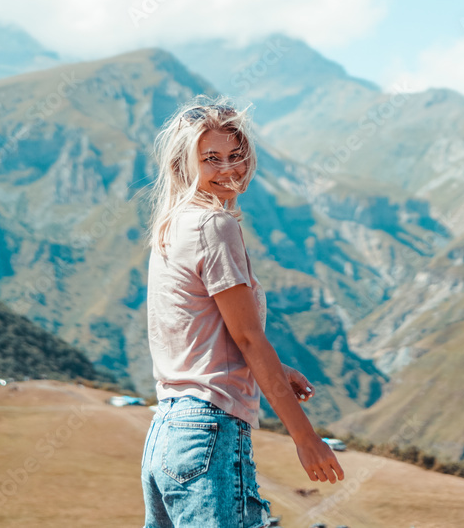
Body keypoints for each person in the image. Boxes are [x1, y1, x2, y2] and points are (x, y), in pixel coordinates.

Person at [141, 97, 344, 528]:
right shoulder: (215, 226)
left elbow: (201, 329)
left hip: (166, 434)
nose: (229, 168)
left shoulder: (172, 224)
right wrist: (306, 438)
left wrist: (274, 368)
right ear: (185, 165)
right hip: (209, 434)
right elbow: (250, 339)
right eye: (211, 159)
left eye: (236, 155)